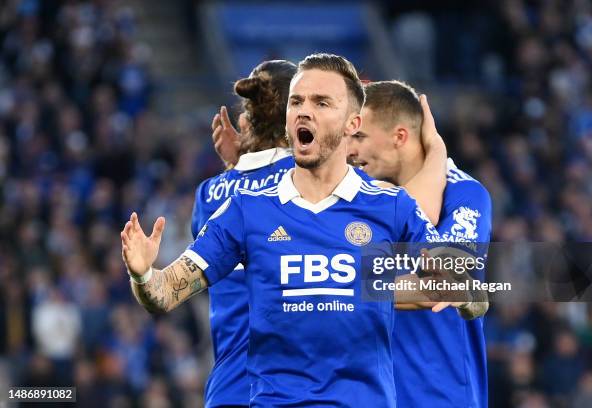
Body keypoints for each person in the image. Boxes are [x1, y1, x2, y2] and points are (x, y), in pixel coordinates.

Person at [120, 53, 442, 406]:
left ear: (353, 124)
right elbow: (163, 294)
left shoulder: (388, 205)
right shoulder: (247, 209)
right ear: (286, 119)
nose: (305, 111)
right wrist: (143, 274)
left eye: (321, 102)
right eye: (296, 102)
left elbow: (464, 282)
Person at [347, 80, 492, 407]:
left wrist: (346, 286)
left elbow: (444, 280)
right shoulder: (360, 199)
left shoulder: (465, 194)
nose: (349, 150)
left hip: (443, 396)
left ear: (400, 137)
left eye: (359, 137)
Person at [193, 60, 297, 408]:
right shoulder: (312, 183)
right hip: (296, 387)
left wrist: (236, 166)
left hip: (229, 388)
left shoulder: (210, 194)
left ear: (246, 117)